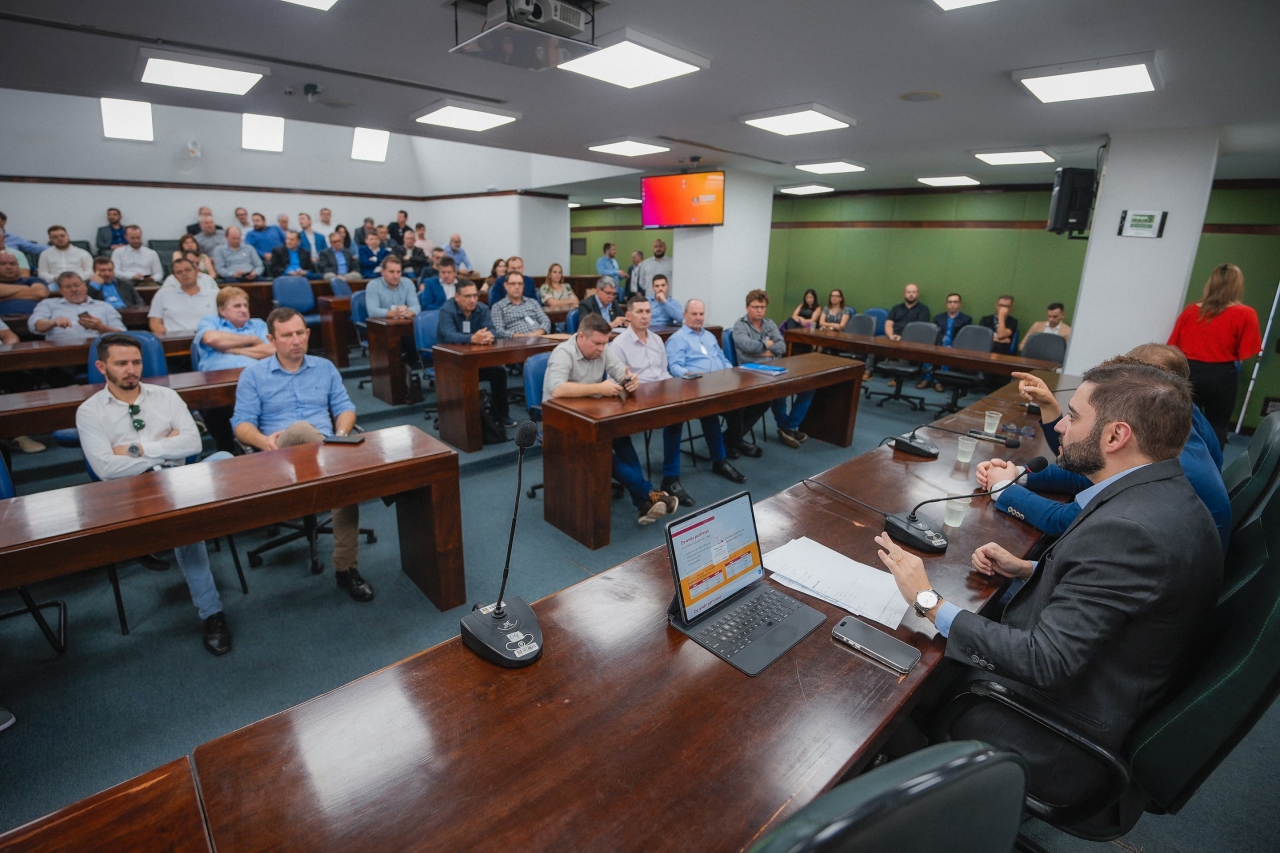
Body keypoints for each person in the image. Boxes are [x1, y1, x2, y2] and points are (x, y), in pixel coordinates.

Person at [875, 361, 1223, 806]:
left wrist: (928, 600)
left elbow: (1045, 662)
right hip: (1099, 685)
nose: (1059, 426)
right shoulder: (1161, 493)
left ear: (1116, 437)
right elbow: (1120, 594)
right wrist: (1029, 569)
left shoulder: (1130, 531)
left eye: (1073, 416)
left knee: (888, 687)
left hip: (1052, 731)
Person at [982, 346, 1230, 552]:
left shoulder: (1167, 461)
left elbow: (1072, 520)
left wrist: (1004, 490)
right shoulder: (1175, 422)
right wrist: (1019, 475)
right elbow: (1092, 472)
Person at [77, 333, 234, 655]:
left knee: (225, 460)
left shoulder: (166, 397)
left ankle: (158, 537)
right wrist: (165, 448)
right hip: (128, 492)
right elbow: (105, 468)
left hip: (177, 481)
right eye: (121, 363)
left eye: (136, 362)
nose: (131, 369)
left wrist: (134, 449)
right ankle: (212, 613)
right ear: (101, 367)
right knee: (187, 526)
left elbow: (193, 444)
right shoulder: (89, 411)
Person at [232, 308, 375, 602]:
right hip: (279, 455)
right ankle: (355, 472)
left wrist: (342, 434)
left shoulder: (325, 367)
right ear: (271, 339)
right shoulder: (253, 375)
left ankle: (346, 568)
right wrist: (262, 441)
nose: (296, 340)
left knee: (342, 483)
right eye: (287, 335)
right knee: (302, 431)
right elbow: (241, 423)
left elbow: (345, 408)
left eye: (300, 333)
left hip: (327, 451)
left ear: (308, 334)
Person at [545, 312, 677, 524]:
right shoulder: (563, 353)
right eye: (597, 343)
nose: (601, 349)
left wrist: (631, 380)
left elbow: (621, 373)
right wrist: (599, 388)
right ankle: (649, 493)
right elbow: (557, 389)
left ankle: (644, 502)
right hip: (562, 420)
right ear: (581, 336)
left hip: (594, 414)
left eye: (604, 343)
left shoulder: (603, 349)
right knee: (604, 451)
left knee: (623, 440)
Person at [623, 296, 744, 504]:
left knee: (714, 412)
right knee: (677, 418)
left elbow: (722, 359)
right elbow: (674, 367)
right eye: (694, 314)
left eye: (701, 314)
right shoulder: (677, 339)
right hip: (683, 389)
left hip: (714, 387)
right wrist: (691, 375)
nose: (698, 317)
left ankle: (720, 460)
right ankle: (671, 477)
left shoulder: (707, 336)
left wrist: (729, 374)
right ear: (684, 315)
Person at [1168, 263, 1262, 447]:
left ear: (1211, 283)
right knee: (1218, 425)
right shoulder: (1246, 314)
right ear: (1238, 285)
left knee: (1183, 424)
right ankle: (1213, 463)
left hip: (1189, 372)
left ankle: (1180, 461)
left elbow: (1173, 345)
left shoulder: (1191, 311)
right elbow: (1246, 351)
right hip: (1222, 376)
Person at [193, 286, 274, 452]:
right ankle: (228, 449)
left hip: (256, 381)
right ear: (222, 310)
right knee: (216, 410)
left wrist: (235, 349)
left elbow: (272, 350)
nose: (243, 310)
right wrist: (251, 339)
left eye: (245, 305)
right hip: (218, 384)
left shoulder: (258, 324)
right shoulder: (210, 322)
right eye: (237, 306)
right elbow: (211, 339)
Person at [733, 289, 814, 449]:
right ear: (747, 307)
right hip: (751, 370)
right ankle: (786, 427)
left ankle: (788, 426)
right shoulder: (740, 325)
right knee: (778, 389)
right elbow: (747, 346)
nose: (759, 310)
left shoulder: (769, 324)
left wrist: (761, 349)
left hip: (775, 367)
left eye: (762, 307)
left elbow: (782, 346)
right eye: (755, 307)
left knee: (809, 385)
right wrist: (768, 345)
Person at [438, 280, 511, 428]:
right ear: (456, 296)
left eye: (475, 295)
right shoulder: (446, 310)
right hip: (451, 363)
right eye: (467, 296)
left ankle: (502, 416)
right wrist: (472, 338)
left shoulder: (482, 309)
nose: (472, 300)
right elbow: (448, 335)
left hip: (477, 360)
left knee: (499, 371)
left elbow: (493, 330)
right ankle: (461, 418)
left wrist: (489, 336)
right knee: (466, 376)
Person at [29, 272, 123, 344]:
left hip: (98, 351)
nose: (73, 289)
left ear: (85, 286)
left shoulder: (104, 306)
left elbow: (122, 333)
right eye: (68, 287)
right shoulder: (48, 304)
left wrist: (101, 327)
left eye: (77, 285)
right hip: (61, 353)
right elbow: (34, 325)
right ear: (60, 290)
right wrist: (53, 323)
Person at [149, 257, 217, 336]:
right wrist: (170, 339)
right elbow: (155, 324)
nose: (184, 274)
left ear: (197, 271)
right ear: (174, 276)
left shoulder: (215, 294)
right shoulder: (162, 294)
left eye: (188, 270)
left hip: (210, 339)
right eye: (179, 272)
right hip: (175, 341)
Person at [918, 292, 971, 392]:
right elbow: (934, 334)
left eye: (955, 302)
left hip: (954, 346)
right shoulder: (939, 318)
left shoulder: (966, 319)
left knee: (948, 354)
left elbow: (964, 337)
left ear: (960, 304)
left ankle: (938, 381)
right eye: (950, 302)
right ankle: (927, 379)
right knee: (927, 352)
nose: (952, 304)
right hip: (938, 344)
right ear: (946, 304)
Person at [493, 272, 550, 339]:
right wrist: (519, 336)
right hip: (516, 342)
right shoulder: (498, 307)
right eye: (513, 283)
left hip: (540, 339)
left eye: (520, 284)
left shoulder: (533, 302)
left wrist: (538, 333)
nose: (517, 287)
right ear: (506, 286)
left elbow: (546, 321)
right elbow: (499, 331)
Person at [364, 255, 419, 321]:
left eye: (398, 272)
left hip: (404, 323)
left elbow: (416, 307)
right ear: (382, 272)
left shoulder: (408, 283)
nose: (396, 276)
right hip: (381, 324)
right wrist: (395, 313)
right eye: (391, 272)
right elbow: (372, 312)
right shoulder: (373, 285)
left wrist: (408, 312)